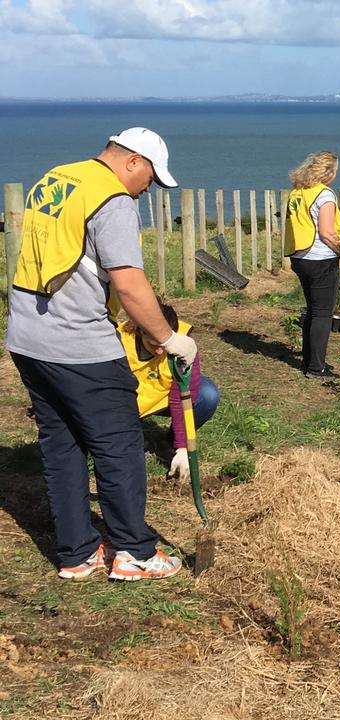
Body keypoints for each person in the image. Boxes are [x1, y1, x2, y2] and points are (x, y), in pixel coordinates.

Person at [7, 127, 196, 581]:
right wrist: (169, 337)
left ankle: (76, 552)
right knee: (119, 445)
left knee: (62, 444)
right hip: (79, 343)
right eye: (150, 177)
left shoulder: (56, 179)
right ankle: (134, 550)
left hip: (28, 338)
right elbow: (128, 281)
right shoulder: (112, 199)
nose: (148, 188)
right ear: (132, 161)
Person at [284, 151, 340, 379]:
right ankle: (316, 367)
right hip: (320, 259)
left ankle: (308, 361)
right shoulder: (325, 195)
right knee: (322, 314)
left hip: (299, 256)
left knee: (312, 310)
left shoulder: (298, 191)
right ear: (329, 172)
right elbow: (328, 233)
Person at [120, 304, 220, 479]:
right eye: (153, 344)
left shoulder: (183, 342)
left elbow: (182, 395)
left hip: (161, 397)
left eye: (163, 345)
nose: (160, 351)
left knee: (207, 394)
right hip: (126, 403)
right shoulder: (119, 341)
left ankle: (167, 442)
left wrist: (182, 447)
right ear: (140, 331)